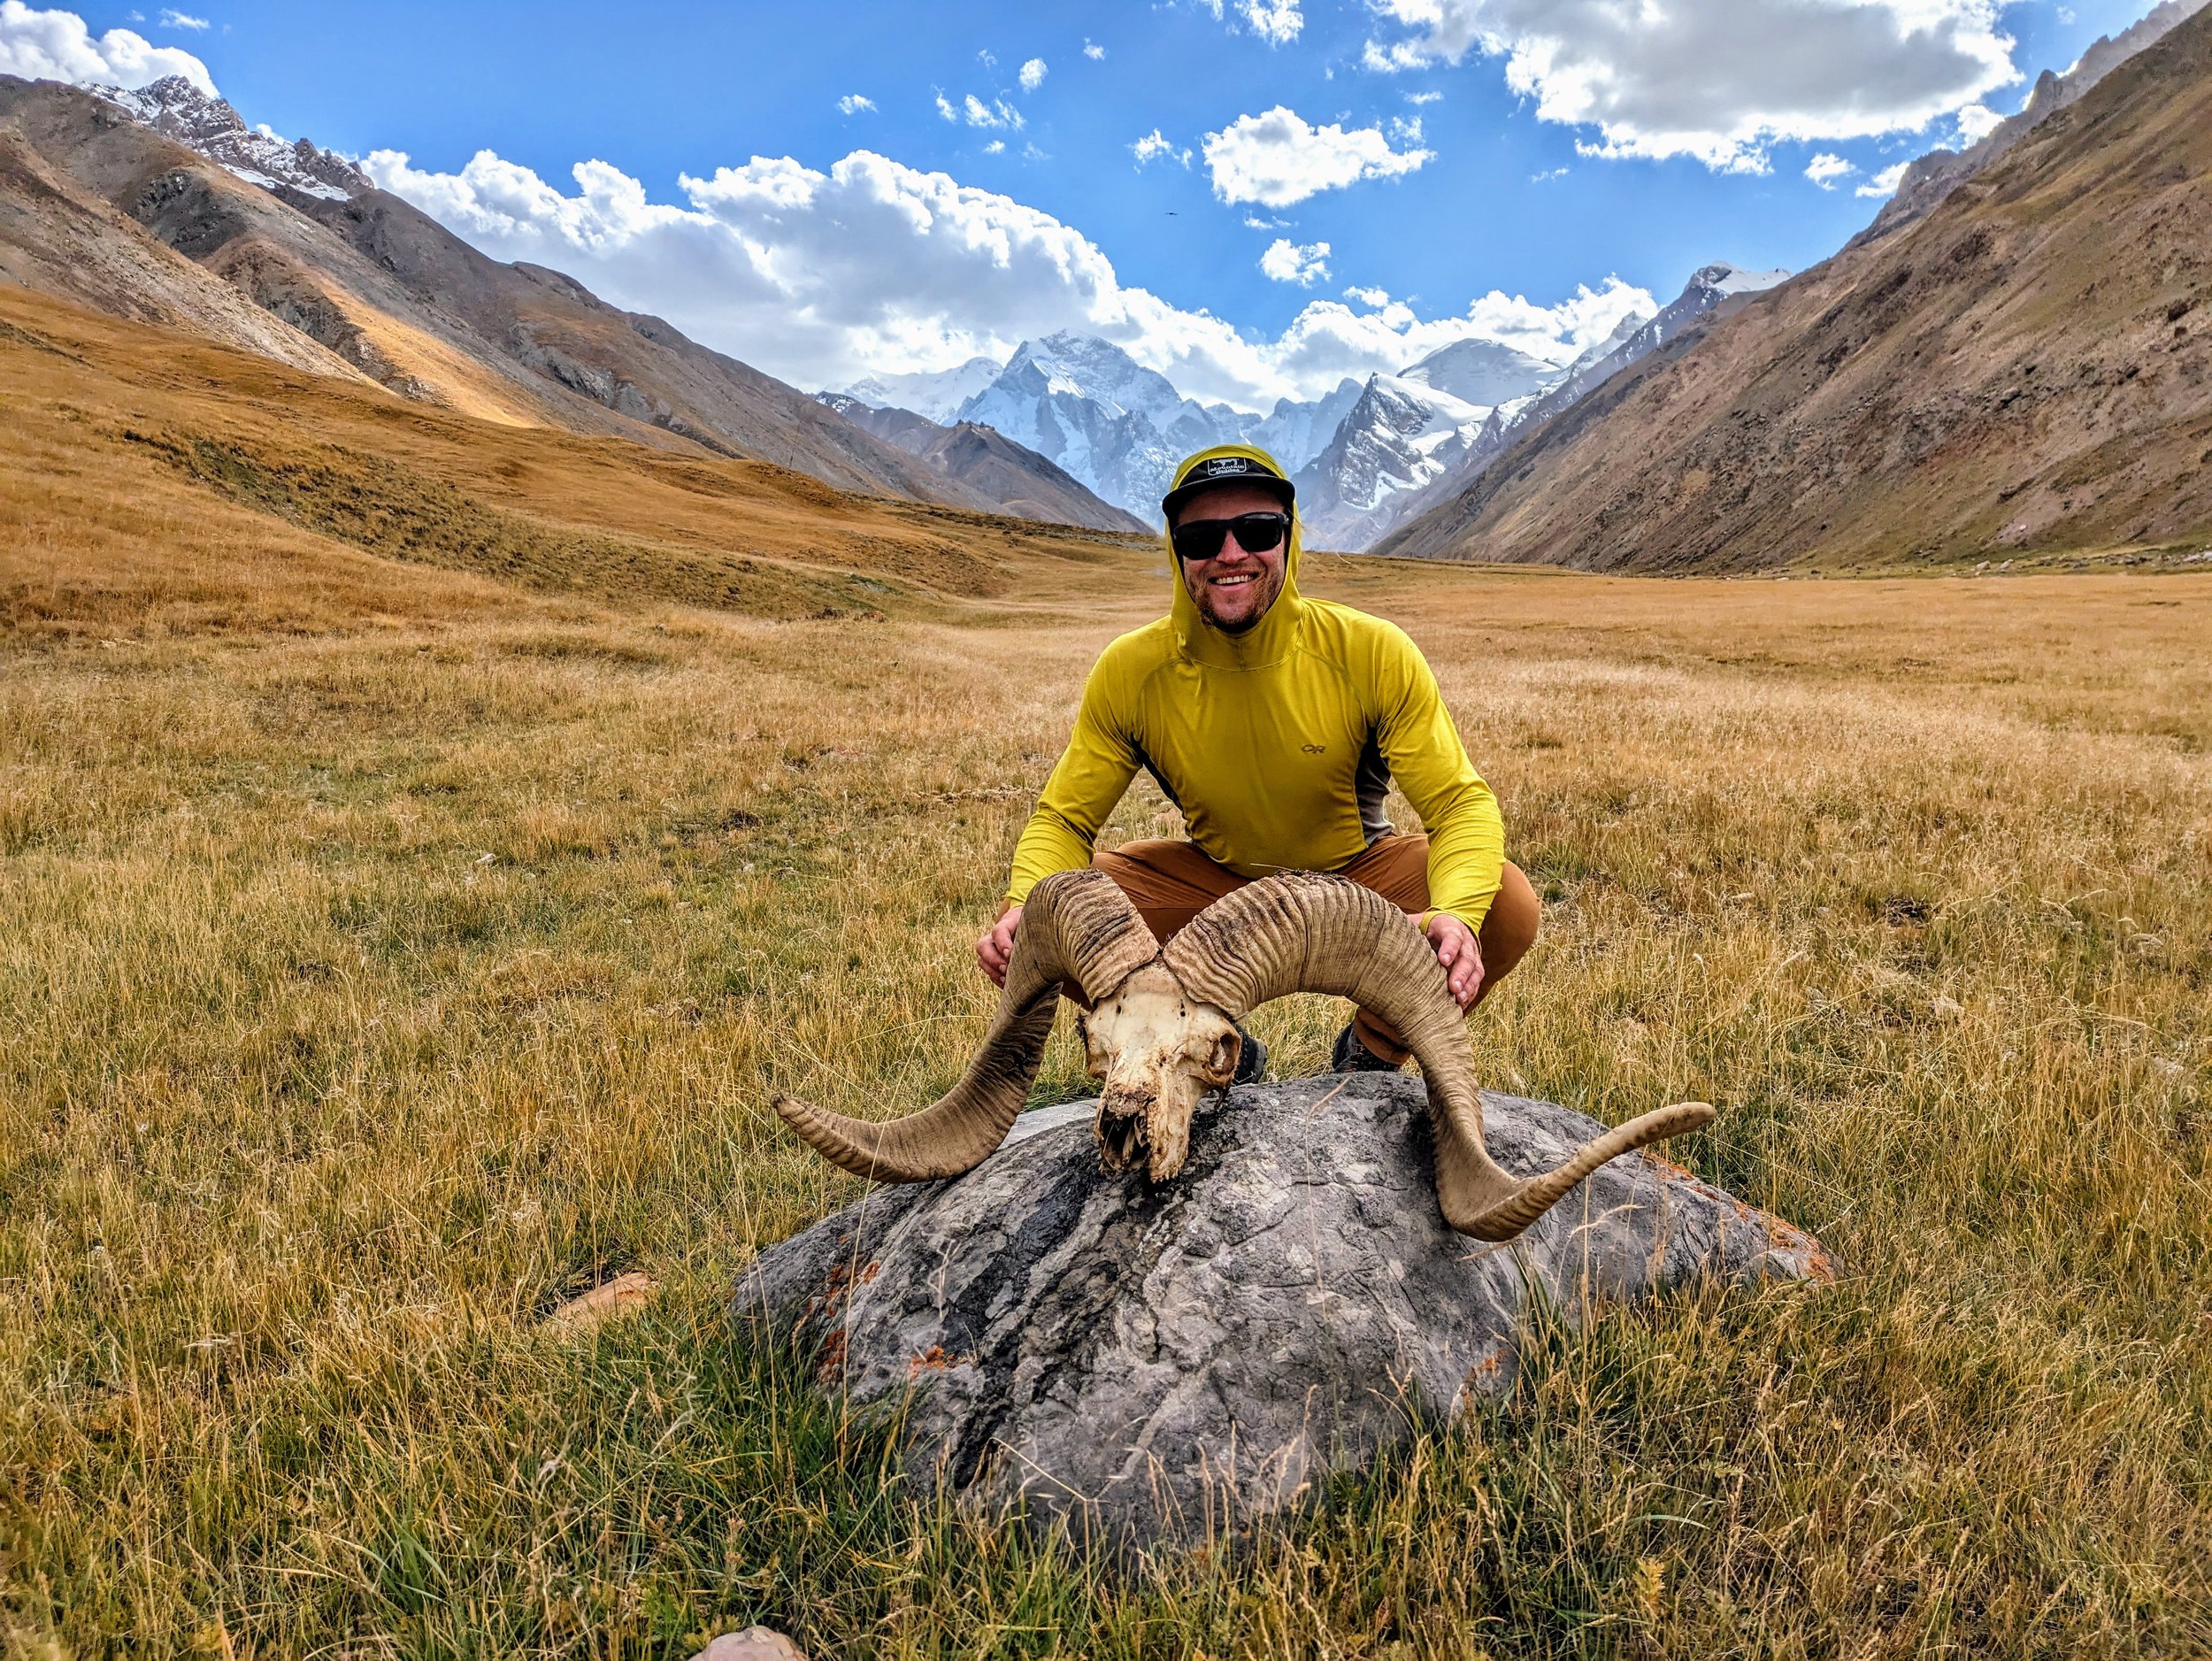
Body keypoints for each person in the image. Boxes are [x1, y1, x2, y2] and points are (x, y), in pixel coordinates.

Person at [975, 443, 1540, 1078]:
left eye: (1257, 529)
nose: (1231, 552)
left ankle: (1371, 1054)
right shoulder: (1132, 671)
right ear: (1176, 549)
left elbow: (1461, 804)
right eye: (1201, 536)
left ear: (1288, 539)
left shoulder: (1372, 652)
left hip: (1357, 874)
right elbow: (1064, 821)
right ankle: (1212, 1049)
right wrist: (1025, 902)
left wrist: (1456, 915)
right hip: (1218, 881)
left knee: (1504, 905)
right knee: (1057, 916)